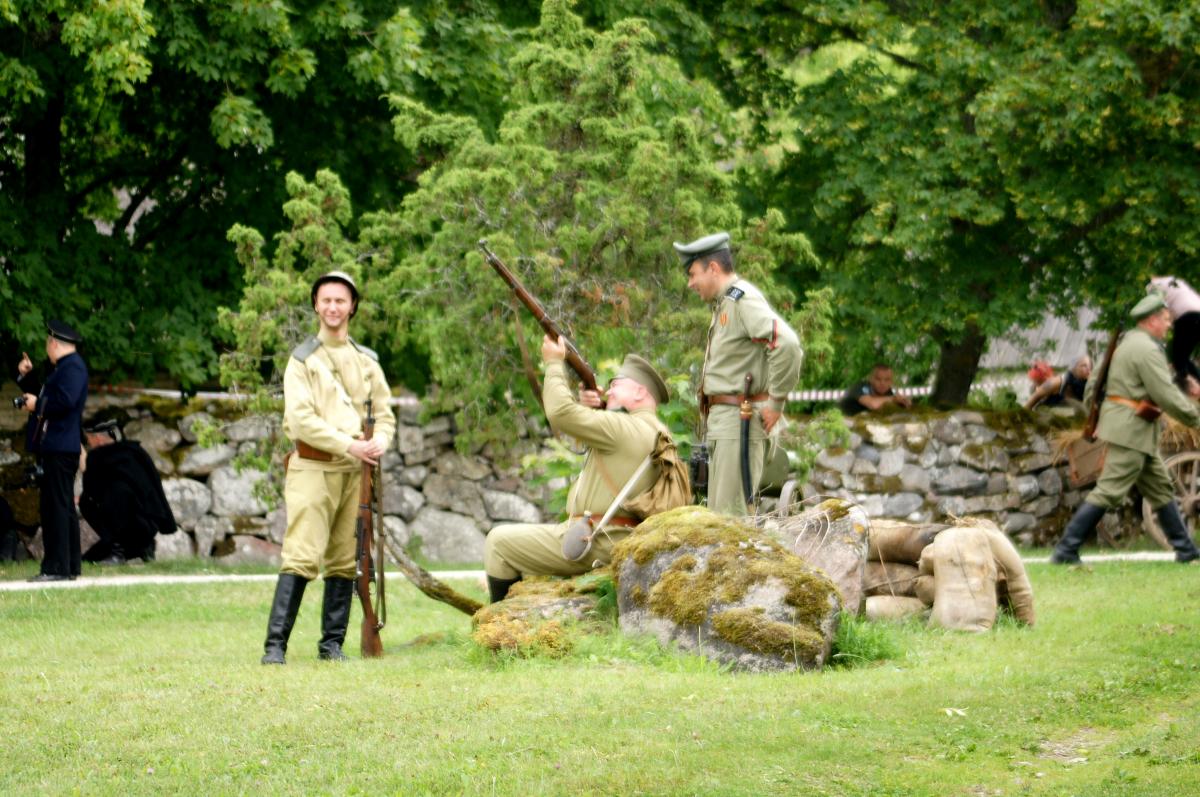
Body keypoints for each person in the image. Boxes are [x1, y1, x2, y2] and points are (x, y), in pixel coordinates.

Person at [261, 271, 395, 664]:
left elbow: (385, 415)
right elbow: (301, 420)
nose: (333, 307)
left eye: (341, 300)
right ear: (316, 305)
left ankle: (331, 645)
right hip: (313, 468)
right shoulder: (302, 360)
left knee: (343, 557)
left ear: (352, 306)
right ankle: (275, 648)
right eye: (326, 300)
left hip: (356, 473)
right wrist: (350, 444)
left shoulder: (367, 361)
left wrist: (379, 441)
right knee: (301, 554)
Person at [483, 335, 673, 603]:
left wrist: (553, 364)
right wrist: (592, 410)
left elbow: (560, 412)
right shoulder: (658, 431)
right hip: (618, 537)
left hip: (598, 542)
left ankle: (499, 625)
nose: (609, 391)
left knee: (498, 542)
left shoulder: (622, 429)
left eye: (617, 385)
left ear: (641, 392)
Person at [1052, 294, 1200, 564]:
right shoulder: (1145, 349)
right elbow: (1164, 393)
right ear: (1152, 320)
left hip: (1134, 430)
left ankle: (1186, 550)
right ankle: (1065, 550)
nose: (1169, 326)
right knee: (1109, 490)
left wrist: (1098, 418)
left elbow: (1095, 380)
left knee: (1161, 490)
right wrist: (1195, 418)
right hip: (1132, 431)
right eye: (1166, 320)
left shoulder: (1126, 344)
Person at [675, 231, 803, 515]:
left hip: (739, 424)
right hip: (728, 424)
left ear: (713, 268)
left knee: (730, 522)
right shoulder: (726, 304)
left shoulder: (742, 299)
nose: (690, 283)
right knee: (723, 519)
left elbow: (788, 344)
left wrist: (776, 402)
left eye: (693, 274)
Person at [16, 320, 88, 582]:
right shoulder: (63, 368)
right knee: (62, 506)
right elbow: (46, 398)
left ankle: (56, 568)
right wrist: (27, 378)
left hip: (60, 445)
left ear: (54, 343)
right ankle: (68, 566)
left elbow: (64, 402)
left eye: (48, 342)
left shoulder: (73, 368)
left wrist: (38, 405)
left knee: (56, 508)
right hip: (56, 445)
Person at [79, 420, 177, 565]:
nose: (89, 444)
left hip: (128, 528)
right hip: (149, 525)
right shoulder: (135, 452)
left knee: (86, 501)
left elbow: (91, 488)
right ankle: (143, 547)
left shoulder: (100, 457)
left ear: (97, 438)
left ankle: (118, 552)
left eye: (89, 440)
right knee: (88, 559)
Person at [1148, 276, 1200, 387]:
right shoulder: (1175, 279)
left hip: (1187, 315)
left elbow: (1157, 307)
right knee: (1183, 358)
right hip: (1197, 312)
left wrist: (1166, 323)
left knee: (1179, 360)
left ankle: (1190, 388)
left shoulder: (1152, 286)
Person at [839, 364, 913, 416]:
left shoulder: (889, 393)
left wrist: (905, 403)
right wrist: (893, 399)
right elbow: (873, 404)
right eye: (878, 379)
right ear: (871, 379)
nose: (882, 383)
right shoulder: (860, 387)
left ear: (891, 382)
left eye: (887, 380)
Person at [1023, 355, 1091, 410]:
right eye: (1035, 382)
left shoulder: (1056, 383)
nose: (1035, 385)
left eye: (1039, 382)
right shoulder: (1035, 389)